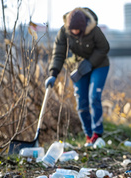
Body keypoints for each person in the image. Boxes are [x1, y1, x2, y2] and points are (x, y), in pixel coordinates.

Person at [45, 7, 110, 147]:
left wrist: (90, 62)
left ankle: (97, 134)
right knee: (81, 101)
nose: (75, 32)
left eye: (77, 30)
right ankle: (88, 135)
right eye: (72, 30)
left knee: (94, 97)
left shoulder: (94, 30)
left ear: (84, 26)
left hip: (99, 65)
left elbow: (104, 48)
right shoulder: (64, 31)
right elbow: (59, 53)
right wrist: (53, 73)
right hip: (79, 68)